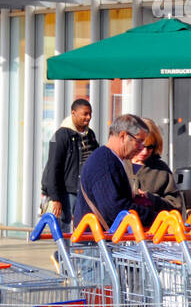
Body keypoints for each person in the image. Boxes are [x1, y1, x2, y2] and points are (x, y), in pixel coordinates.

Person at [74, 114, 159, 226]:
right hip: (97, 240)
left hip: (98, 238)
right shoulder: (105, 162)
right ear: (123, 136)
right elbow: (114, 209)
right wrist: (155, 219)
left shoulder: (109, 159)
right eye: (139, 141)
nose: (141, 148)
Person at [41, 98, 99, 229]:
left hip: (85, 192)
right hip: (66, 193)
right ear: (73, 113)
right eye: (85, 114)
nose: (88, 117)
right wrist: (55, 198)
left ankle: (78, 250)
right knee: (65, 230)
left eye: (90, 113)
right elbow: (53, 168)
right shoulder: (61, 135)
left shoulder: (91, 135)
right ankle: (63, 250)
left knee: (84, 229)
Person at [130, 118, 183, 212]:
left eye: (150, 147)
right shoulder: (118, 164)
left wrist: (152, 199)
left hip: (153, 225)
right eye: (141, 146)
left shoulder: (161, 170)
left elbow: (176, 206)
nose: (145, 151)